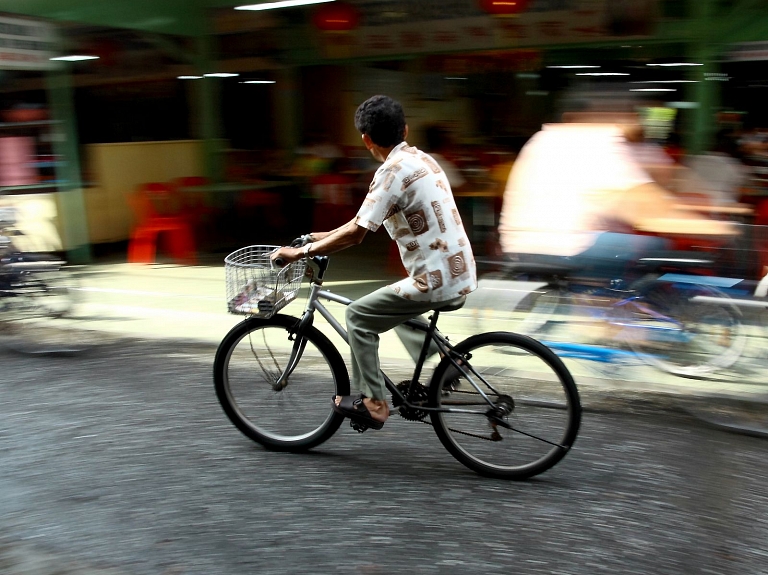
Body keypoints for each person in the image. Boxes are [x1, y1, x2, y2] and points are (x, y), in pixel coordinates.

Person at [270, 95, 477, 430]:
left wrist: (300, 253)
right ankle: (449, 358)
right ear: (405, 129)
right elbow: (361, 222)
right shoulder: (422, 159)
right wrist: (313, 239)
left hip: (435, 279)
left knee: (358, 315)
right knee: (387, 302)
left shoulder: (390, 173)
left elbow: (355, 234)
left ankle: (374, 402)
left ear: (365, 139)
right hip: (458, 270)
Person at [497, 112, 734, 282]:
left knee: (622, 242)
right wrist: (717, 229)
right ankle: (607, 318)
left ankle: (599, 306)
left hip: (517, 241)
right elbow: (646, 209)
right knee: (651, 245)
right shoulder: (598, 141)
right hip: (560, 246)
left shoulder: (545, 137)